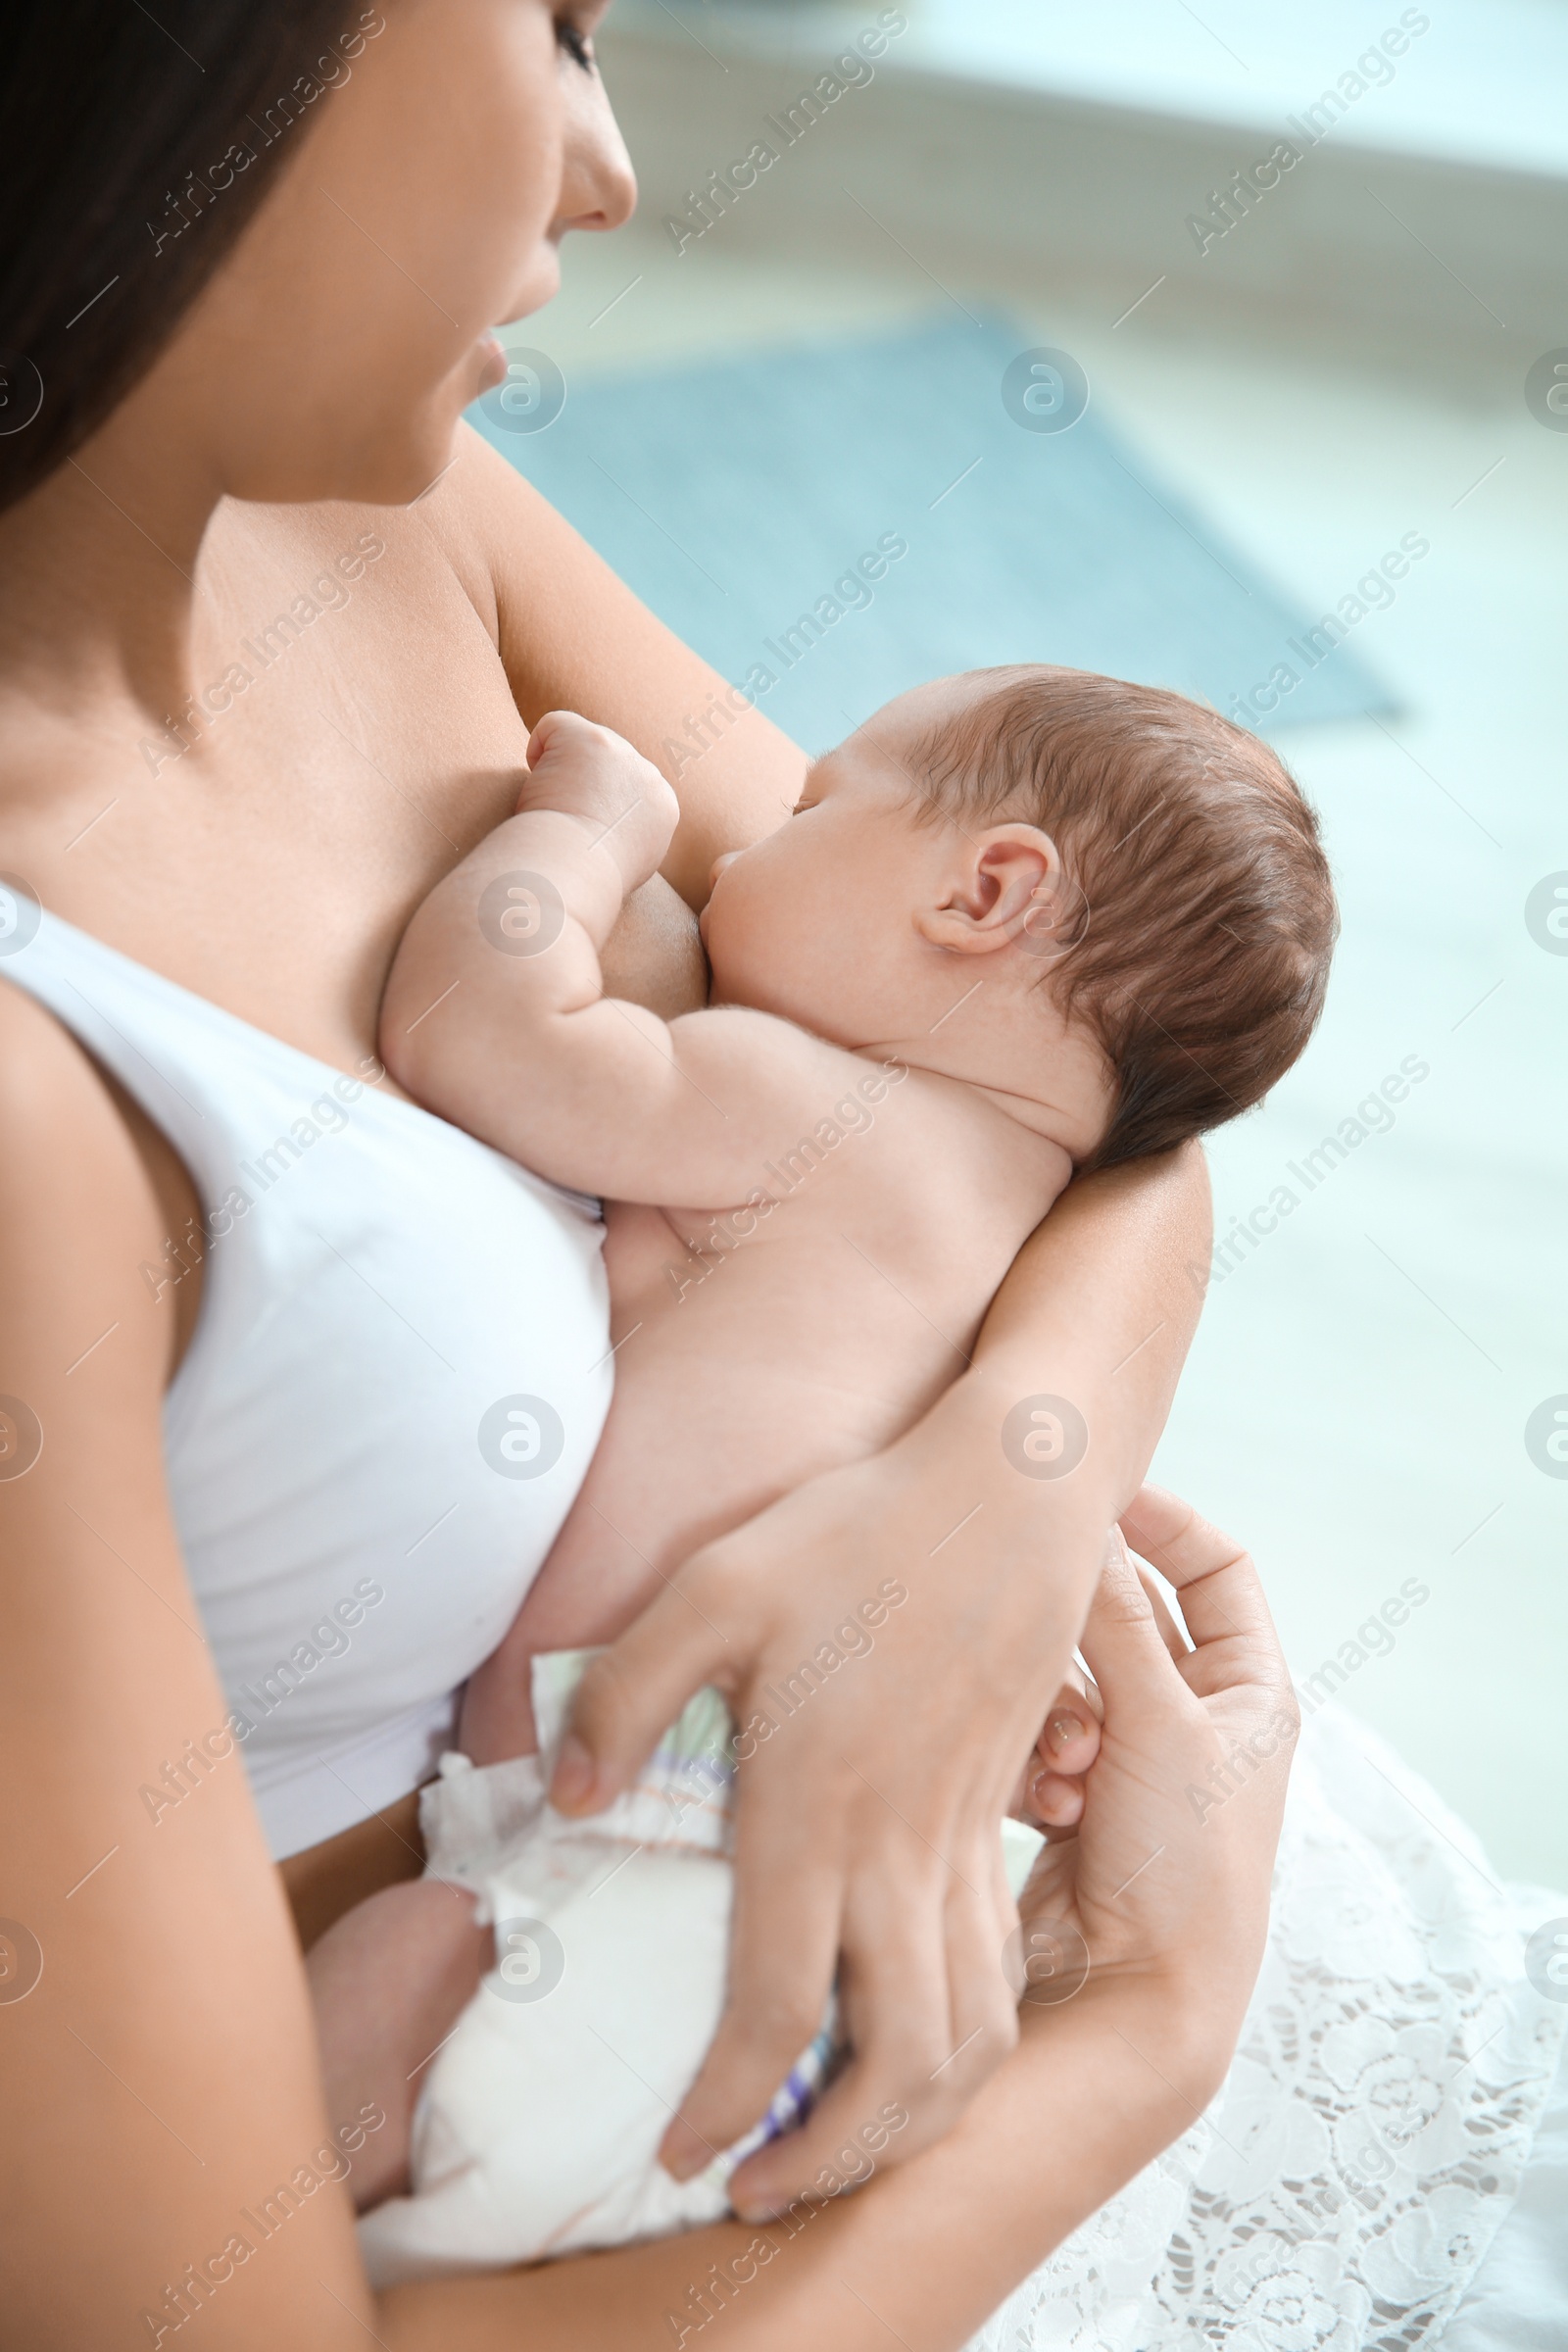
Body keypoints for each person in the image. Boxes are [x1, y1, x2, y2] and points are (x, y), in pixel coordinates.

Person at [0, 7, 1558, 2348]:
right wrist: (1138, 2017)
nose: (607, 170)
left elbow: (1093, 1092)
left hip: (1134, 1922)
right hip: (716, 2140)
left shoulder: (381, 502)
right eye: (549, 25)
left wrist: (992, 1497)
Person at [307, 668, 1335, 2272]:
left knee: (314, 2099)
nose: (736, 855)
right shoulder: (1024, 1215)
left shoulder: (823, 1104)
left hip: (660, 1833)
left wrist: (584, 831)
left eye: (811, 806)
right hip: (853, 1919)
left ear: (985, 891)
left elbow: (477, 1029)